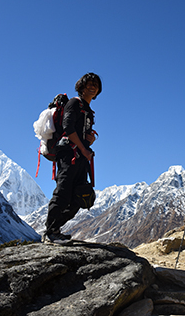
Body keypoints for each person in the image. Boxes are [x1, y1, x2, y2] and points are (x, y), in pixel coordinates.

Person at [43, 72, 103, 243]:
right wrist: (84, 148)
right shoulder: (74, 104)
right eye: (88, 84)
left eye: (95, 85)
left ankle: (54, 229)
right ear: (81, 87)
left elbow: (78, 130)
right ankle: (50, 233)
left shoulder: (88, 111)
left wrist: (88, 140)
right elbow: (68, 128)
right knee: (63, 192)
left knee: (78, 196)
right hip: (69, 154)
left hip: (81, 156)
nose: (92, 87)